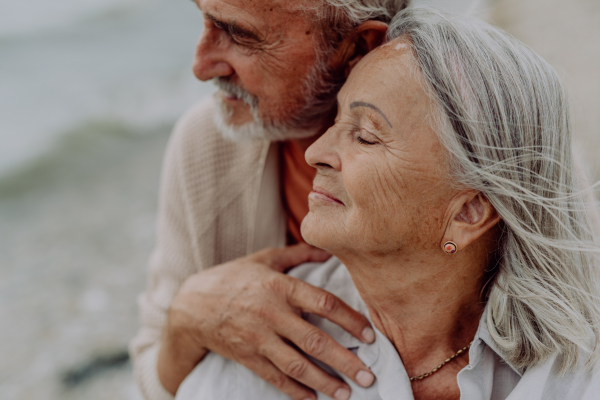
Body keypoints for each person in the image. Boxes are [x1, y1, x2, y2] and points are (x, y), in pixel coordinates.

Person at [174, 7, 600, 400]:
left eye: (365, 136)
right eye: (337, 120)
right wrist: (186, 314)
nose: (315, 151)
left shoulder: (574, 368)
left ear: (468, 212)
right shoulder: (252, 364)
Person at [130, 1, 413, 400]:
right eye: (204, 20)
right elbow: (152, 377)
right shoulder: (206, 144)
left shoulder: (462, 156)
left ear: (358, 49)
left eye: (240, 35)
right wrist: (188, 318)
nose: (201, 65)